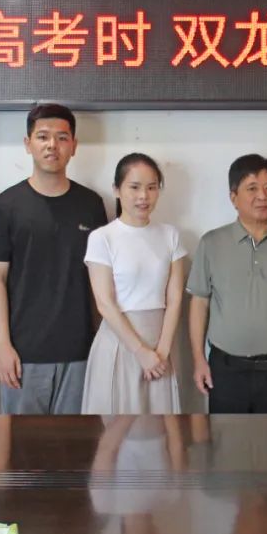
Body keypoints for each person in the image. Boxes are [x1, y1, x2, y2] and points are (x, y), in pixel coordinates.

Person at [0, 104, 108, 415]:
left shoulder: (91, 204)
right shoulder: (4, 206)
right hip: (23, 355)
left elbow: (99, 280)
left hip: (80, 352)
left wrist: (102, 342)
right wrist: (2, 346)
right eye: (43, 137)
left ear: (74, 146)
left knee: (77, 443)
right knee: (22, 444)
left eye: (62, 138)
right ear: (28, 144)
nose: (52, 145)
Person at [188, 154, 267, 413]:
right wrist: (199, 360)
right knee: (226, 438)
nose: (263, 196)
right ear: (233, 197)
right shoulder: (211, 243)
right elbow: (200, 302)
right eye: (252, 188)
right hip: (226, 370)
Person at [81, 153, 185, 414]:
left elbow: (174, 300)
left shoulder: (170, 235)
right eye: (135, 187)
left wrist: (161, 352)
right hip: (120, 343)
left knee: (159, 430)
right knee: (116, 428)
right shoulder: (102, 237)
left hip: (160, 346)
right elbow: (105, 303)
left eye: (151, 188)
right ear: (117, 190)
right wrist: (140, 352)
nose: (143, 196)